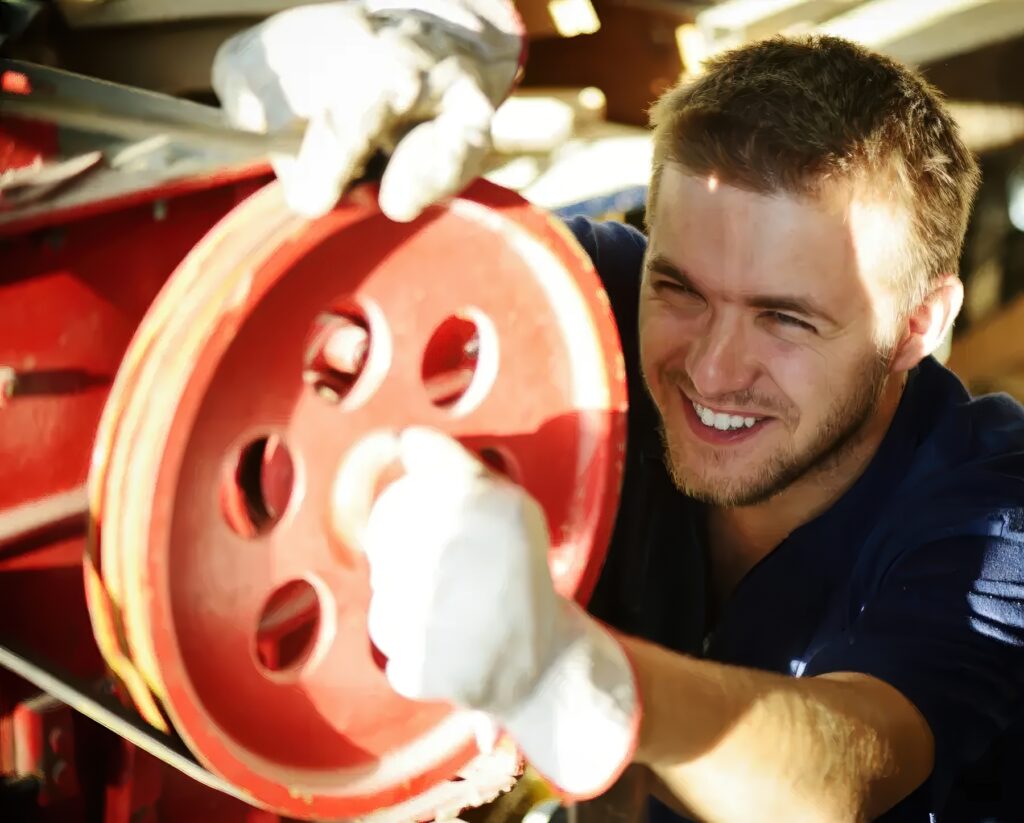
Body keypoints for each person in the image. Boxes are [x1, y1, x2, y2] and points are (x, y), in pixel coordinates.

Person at [214, 4, 1024, 821]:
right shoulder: (586, 309)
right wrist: (292, 170)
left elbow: (846, 773)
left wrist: (564, 671)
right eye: (680, 289)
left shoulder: (992, 506)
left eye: (785, 318)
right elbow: (334, 323)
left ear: (919, 323)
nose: (710, 370)